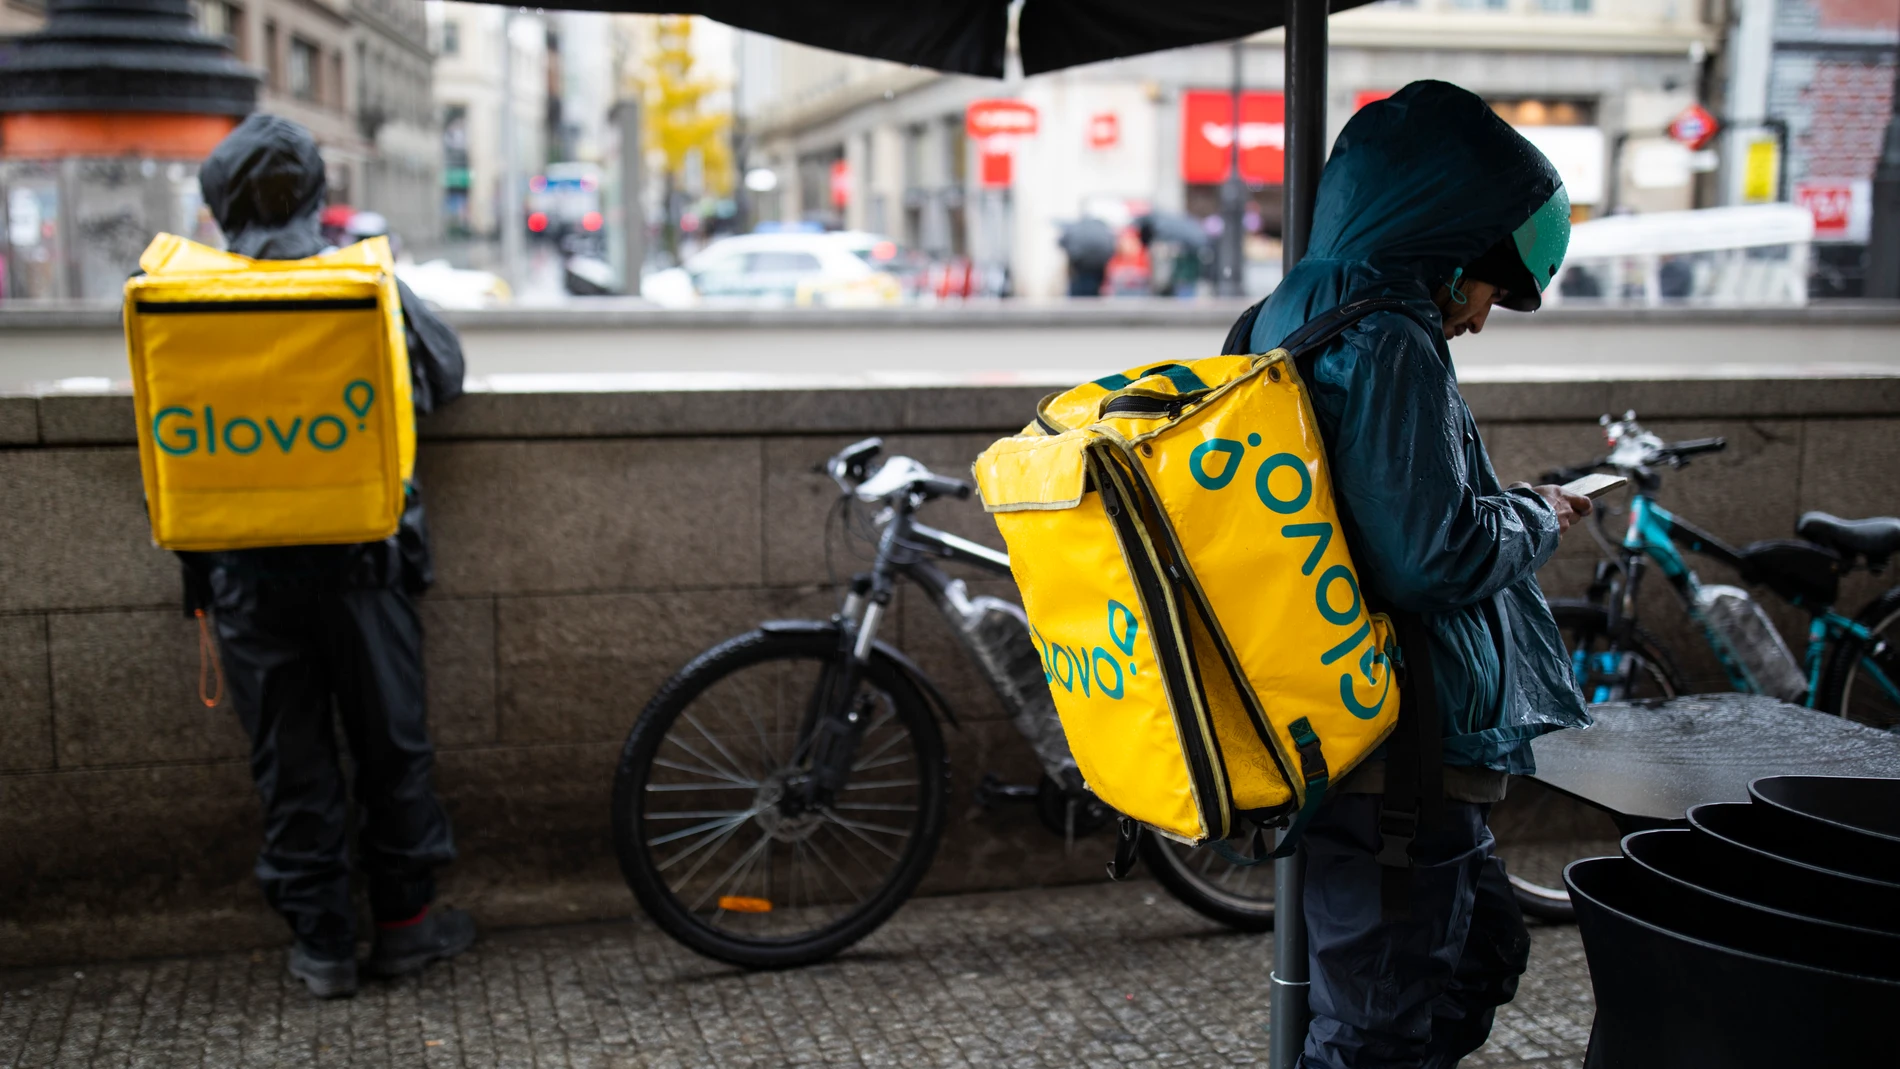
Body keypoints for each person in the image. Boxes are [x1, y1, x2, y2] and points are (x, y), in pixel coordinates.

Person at [1230, 81, 1593, 1068]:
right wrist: (1535, 512)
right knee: (1375, 1030)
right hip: (1395, 751)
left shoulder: (1287, 312)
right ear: (1447, 248)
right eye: (1486, 287)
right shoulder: (1388, 335)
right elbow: (1433, 558)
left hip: (1358, 724)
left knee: (1476, 952)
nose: (1478, 318)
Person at [181, 114, 474, 999]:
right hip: (363, 564)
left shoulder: (182, 294)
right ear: (317, 196)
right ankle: (406, 928)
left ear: (218, 205)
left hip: (243, 573)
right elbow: (447, 375)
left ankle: (319, 944)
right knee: (391, 747)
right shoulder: (366, 282)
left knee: (290, 758)